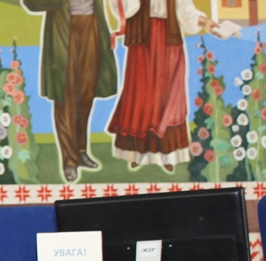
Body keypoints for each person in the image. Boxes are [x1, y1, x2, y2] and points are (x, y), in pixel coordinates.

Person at [107, 0, 218, 171]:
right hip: (142, 38)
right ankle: (137, 153)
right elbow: (123, 6)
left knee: (169, 95)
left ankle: (168, 155)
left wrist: (205, 22)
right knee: (141, 95)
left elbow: (185, 9)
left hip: (168, 38)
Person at [22, 0, 117, 183]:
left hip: (91, 24)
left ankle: (80, 151)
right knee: (65, 96)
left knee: (87, 93)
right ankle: (69, 160)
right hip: (64, 28)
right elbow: (31, 3)